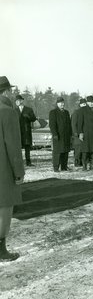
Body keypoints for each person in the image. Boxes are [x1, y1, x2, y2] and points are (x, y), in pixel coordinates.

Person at [0, 76, 24, 261]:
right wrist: (19, 172)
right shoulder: (8, 112)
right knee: (4, 209)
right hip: (4, 170)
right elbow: (13, 146)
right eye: (11, 90)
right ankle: (1, 250)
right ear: (6, 91)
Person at [77, 95, 93, 171]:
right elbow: (80, 123)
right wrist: (80, 133)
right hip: (86, 134)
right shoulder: (83, 110)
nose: (92, 103)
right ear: (87, 102)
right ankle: (84, 166)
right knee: (85, 151)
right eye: (90, 102)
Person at [49, 97, 72, 172]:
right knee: (57, 152)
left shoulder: (66, 112)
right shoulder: (53, 112)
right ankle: (56, 167)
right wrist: (55, 134)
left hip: (66, 135)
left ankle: (64, 167)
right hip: (58, 136)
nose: (62, 104)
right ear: (57, 104)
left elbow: (69, 124)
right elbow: (52, 124)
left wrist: (70, 134)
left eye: (63, 102)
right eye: (60, 103)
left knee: (65, 151)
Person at [15, 94, 37, 166]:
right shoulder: (14, 110)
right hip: (17, 131)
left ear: (22, 101)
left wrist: (28, 117)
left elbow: (34, 119)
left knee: (27, 148)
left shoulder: (29, 109)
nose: (17, 102)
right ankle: (19, 163)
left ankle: (28, 162)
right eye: (16, 101)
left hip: (26, 131)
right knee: (18, 148)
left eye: (18, 100)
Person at [71, 98, 86, 167]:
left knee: (83, 148)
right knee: (78, 149)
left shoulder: (86, 112)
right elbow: (73, 124)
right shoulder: (76, 112)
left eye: (85, 104)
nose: (84, 105)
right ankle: (77, 162)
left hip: (84, 134)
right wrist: (75, 133)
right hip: (77, 134)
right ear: (80, 105)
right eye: (83, 104)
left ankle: (83, 161)